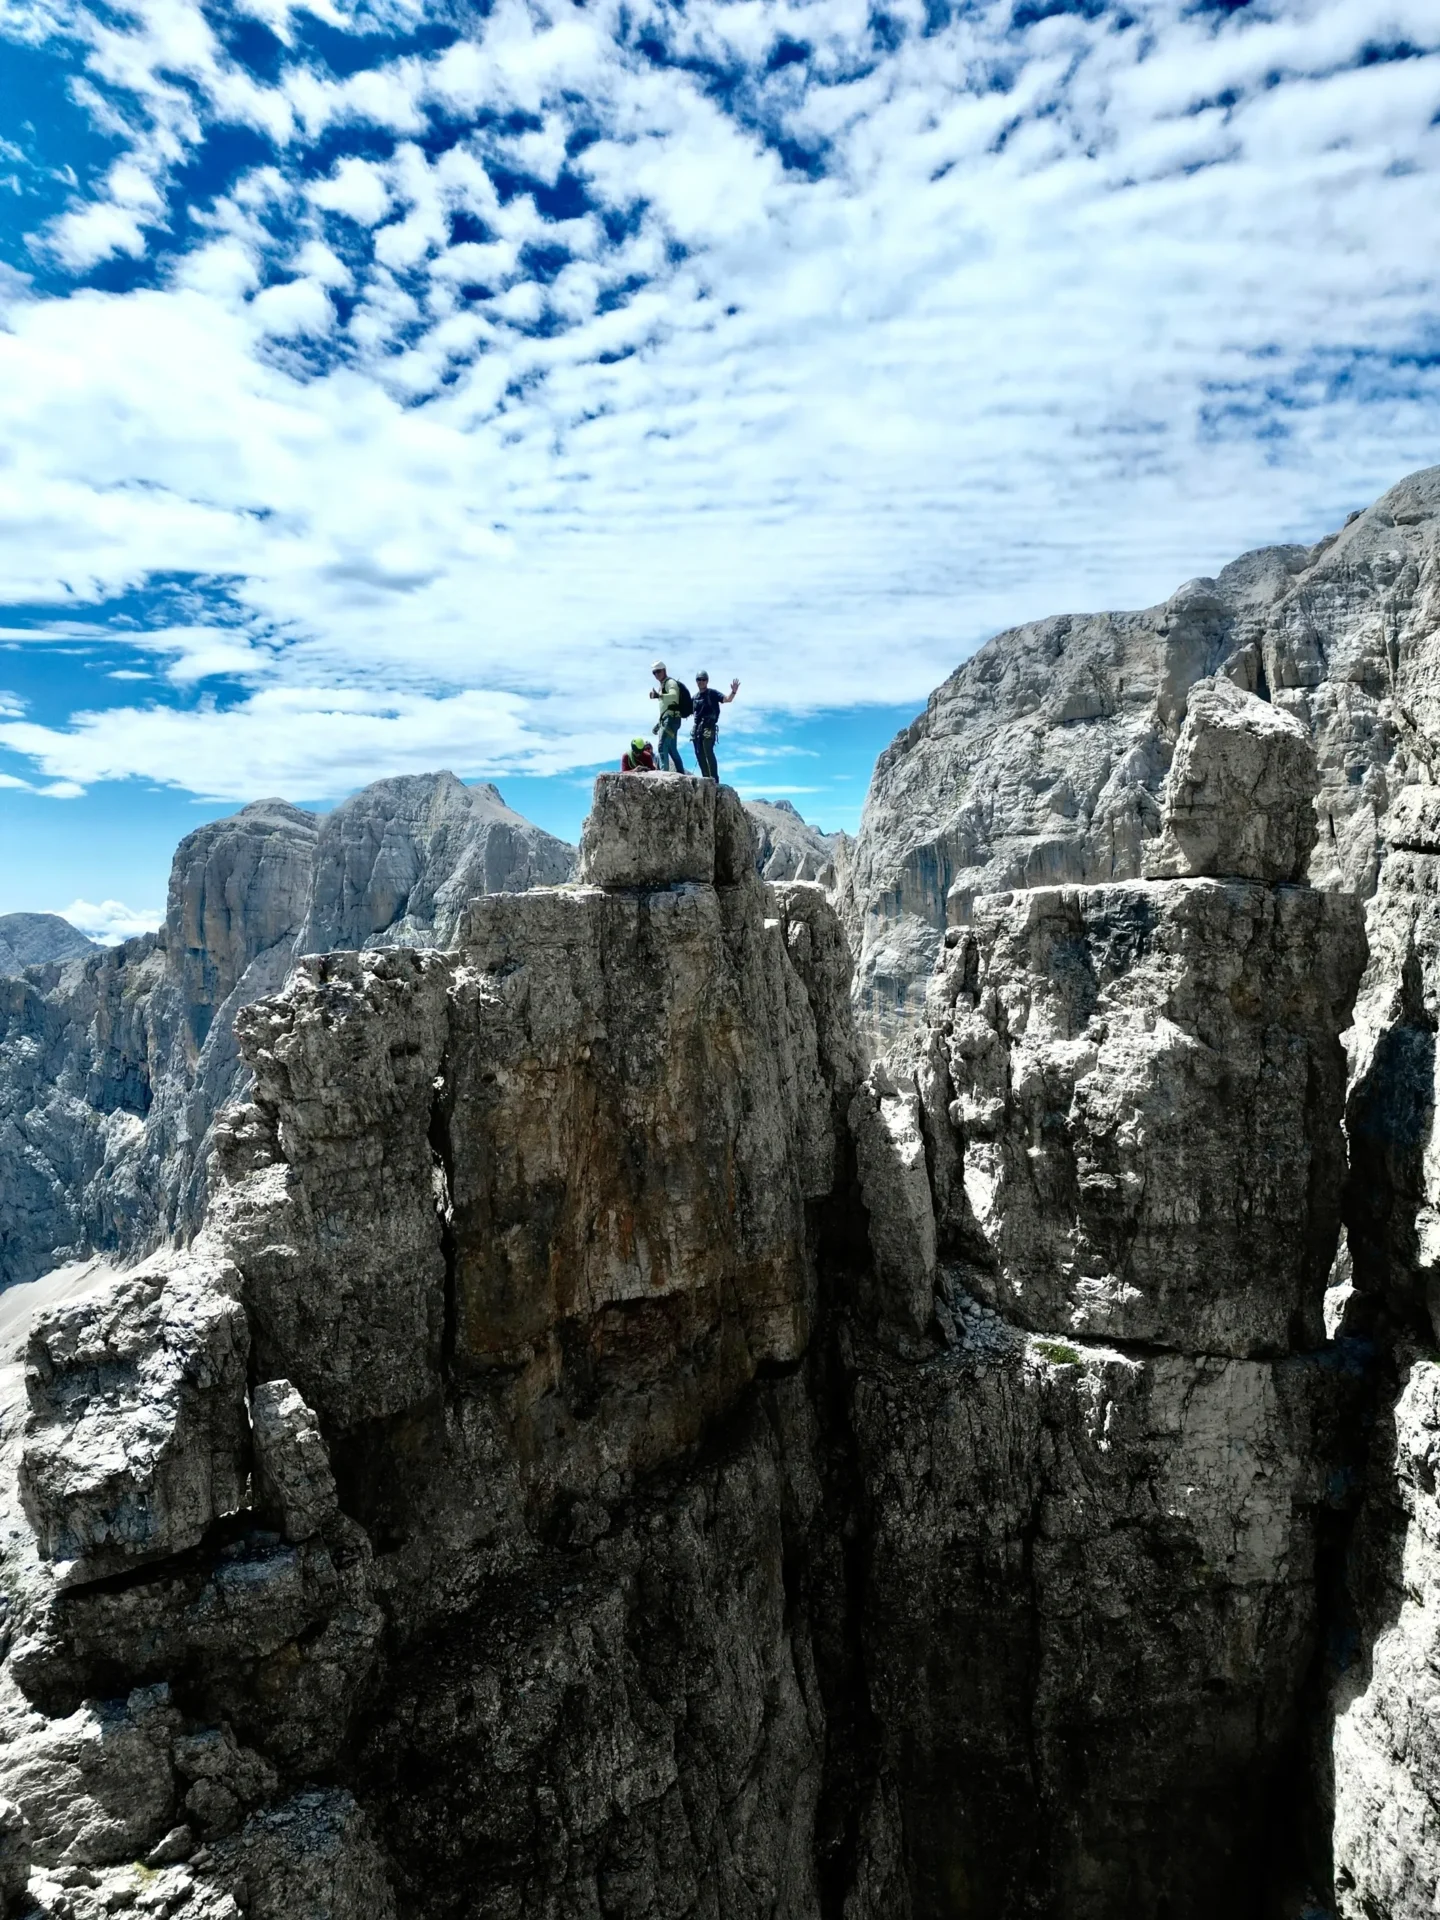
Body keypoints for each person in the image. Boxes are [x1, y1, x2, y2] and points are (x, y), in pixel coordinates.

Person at [690, 670, 740, 781]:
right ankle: (706, 777)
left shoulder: (712, 694)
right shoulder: (694, 698)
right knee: (699, 753)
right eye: (699, 679)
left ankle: (714, 779)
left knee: (708, 750)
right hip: (697, 729)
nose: (701, 682)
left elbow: (727, 699)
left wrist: (733, 692)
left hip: (709, 726)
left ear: (707, 681)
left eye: (704, 679)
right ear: (696, 681)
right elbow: (686, 711)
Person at [648, 660, 688, 773]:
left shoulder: (670, 683)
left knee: (662, 745)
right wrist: (658, 724)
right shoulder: (663, 685)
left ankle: (664, 774)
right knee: (671, 749)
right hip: (669, 719)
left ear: (664, 670)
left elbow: (674, 695)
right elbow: (666, 709)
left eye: (658, 671)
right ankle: (681, 773)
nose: (656, 675)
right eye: (654, 673)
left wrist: (658, 695)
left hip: (671, 720)